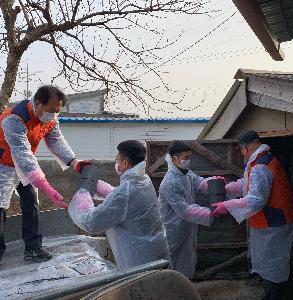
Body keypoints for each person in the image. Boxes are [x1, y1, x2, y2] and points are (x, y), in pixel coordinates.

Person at [0, 85, 90, 264]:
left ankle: (33, 248)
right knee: (0, 206)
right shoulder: (13, 119)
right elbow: (22, 153)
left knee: (31, 201)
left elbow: (57, 141)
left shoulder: (50, 119)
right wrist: (48, 188)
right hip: (4, 163)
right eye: (51, 110)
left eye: (57, 111)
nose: (54, 115)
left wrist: (74, 162)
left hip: (25, 164)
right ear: (38, 103)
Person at [212, 130, 293, 300]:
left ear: (244, 148)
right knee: (271, 264)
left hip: (273, 224)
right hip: (272, 222)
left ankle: (277, 295)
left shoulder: (261, 166)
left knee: (274, 267)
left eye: (241, 149)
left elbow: (256, 200)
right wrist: (228, 188)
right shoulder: (262, 160)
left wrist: (227, 206)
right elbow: (248, 183)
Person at [68, 140, 171, 270]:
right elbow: (126, 200)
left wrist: (82, 198)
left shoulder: (125, 193)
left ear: (125, 163)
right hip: (155, 254)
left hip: (138, 262)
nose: (116, 163)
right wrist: (98, 186)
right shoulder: (144, 180)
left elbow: (92, 223)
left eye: (117, 160)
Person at [158, 141, 213, 279]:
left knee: (187, 259)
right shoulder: (170, 182)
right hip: (173, 229)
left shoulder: (186, 174)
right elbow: (184, 210)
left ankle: (185, 287)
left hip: (187, 227)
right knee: (172, 262)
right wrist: (210, 213)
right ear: (174, 158)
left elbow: (201, 184)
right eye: (185, 157)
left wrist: (218, 184)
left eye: (189, 157)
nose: (188, 161)